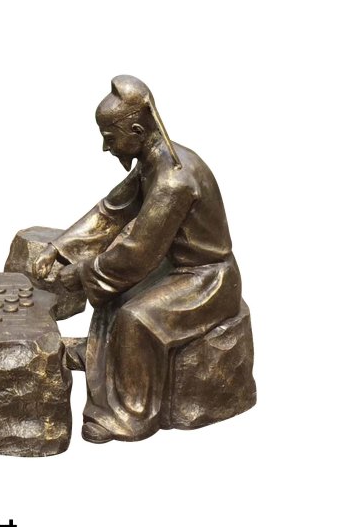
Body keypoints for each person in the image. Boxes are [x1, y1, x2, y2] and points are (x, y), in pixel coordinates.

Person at [34, 76, 253, 443]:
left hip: (206, 279)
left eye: (110, 137)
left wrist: (81, 275)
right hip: (178, 269)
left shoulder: (173, 181)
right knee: (116, 297)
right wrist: (59, 248)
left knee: (135, 318)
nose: (105, 147)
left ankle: (130, 414)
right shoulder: (152, 162)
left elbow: (138, 253)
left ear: (136, 131)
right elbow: (112, 210)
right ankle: (104, 361)